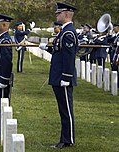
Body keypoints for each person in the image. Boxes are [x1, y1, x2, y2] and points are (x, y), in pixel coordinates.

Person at [39, 2, 78, 149]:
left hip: (63, 78)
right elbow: (59, 52)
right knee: (63, 109)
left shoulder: (68, 33)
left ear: (67, 14)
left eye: (59, 13)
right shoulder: (63, 32)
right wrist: (47, 48)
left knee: (66, 109)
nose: (56, 15)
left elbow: (69, 57)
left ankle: (68, 139)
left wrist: (66, 78)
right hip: (58, 77)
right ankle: (66, 138)